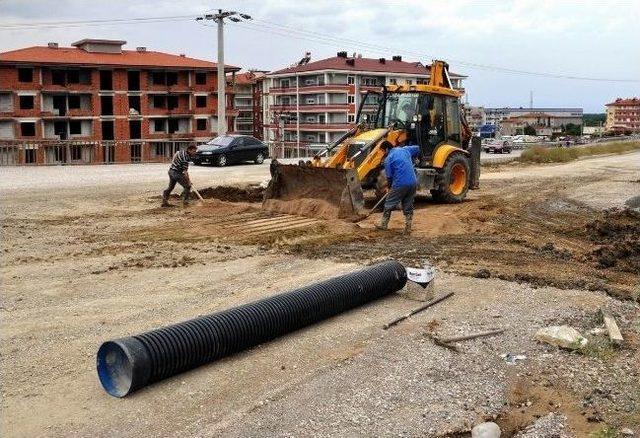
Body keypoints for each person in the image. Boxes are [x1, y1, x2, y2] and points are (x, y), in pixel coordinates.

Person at [376, 144, 420, 234]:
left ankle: (383, 225)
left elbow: (389, 177)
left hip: (400, 183)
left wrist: (389, 187)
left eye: (383, 151)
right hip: (413, 182)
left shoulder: (388, 159)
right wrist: (415, 158)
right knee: (408, 205)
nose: (383, 153)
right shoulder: (405, 150)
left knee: (388, 203)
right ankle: (408, 228)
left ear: (387, 149)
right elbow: (417, 148)